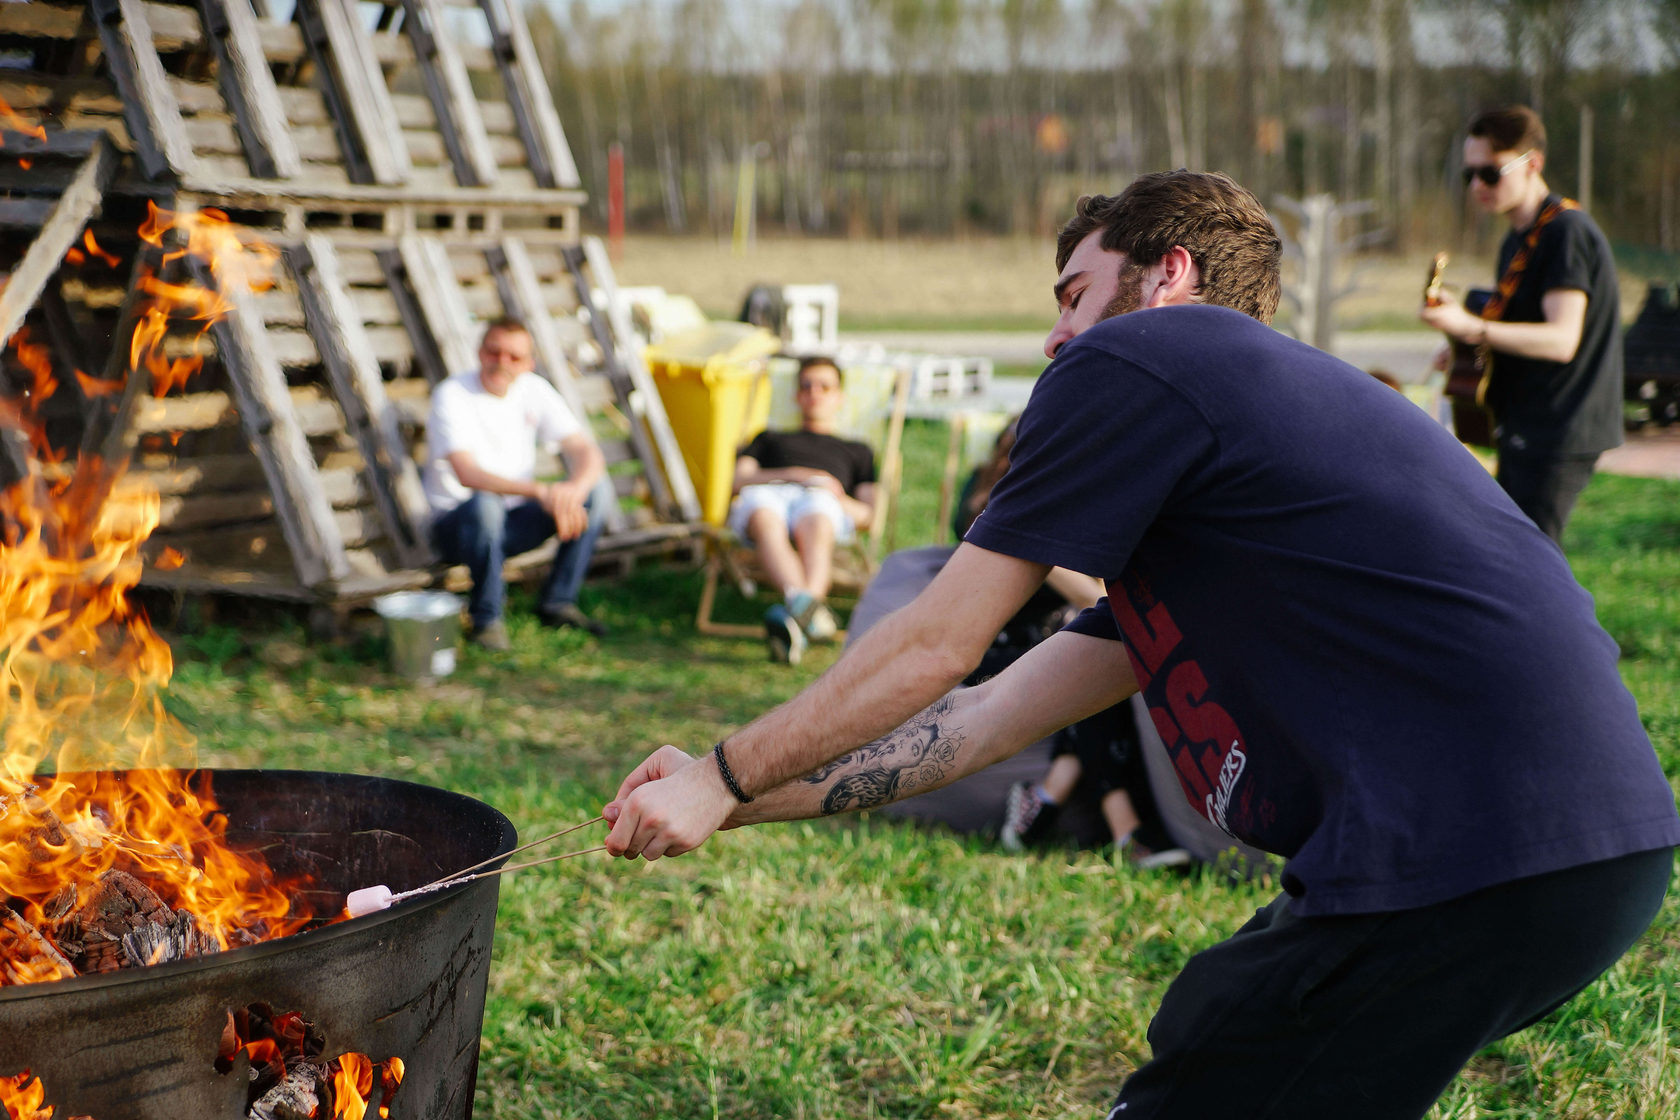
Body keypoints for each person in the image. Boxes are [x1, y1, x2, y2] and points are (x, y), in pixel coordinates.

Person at [601, 170, 1679, 1118]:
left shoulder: (1150, 357)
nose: (1055, 338)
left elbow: (934, 643)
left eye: (1073, 294)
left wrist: (724, 769)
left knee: (1212, 1057)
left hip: (1478, 845)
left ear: (1168, 275)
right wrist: (729, 793)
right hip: (1583, 856)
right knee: (1246, 1029)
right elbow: (973, 718)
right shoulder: (1228, 482)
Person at [1419, 105, 1624, 542]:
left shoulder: (1566, 232)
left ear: (1532, 164)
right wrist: (1463, 349)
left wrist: (1473, 328)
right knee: (1513, 555)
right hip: (1523, 421)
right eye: (1468, 175)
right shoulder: (1518, 237)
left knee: (1533, 562)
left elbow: (1561, 339)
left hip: (1559, 427)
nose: (1477, 186)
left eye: (1490, 173)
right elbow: (1518, 329)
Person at [423, 317, 608, 650]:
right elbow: (468, 474)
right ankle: (486, 620)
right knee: (485, 504)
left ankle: (557, 602)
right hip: (458, 526)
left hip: (513, 521)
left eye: (514, 357)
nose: (502, 363)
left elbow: (587, 451)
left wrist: (572, 493)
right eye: (494, 352)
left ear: (529, 363)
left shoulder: (534, 389)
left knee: (596, 492)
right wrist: (540, 490)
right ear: (480, 353)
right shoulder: (452, 394)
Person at [728, 355, 877, 664]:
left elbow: (868, 514)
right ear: (797, 395)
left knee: (818, 518)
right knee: (764, 516)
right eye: (807, 386)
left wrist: (836, 494)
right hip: (771, 492)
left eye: (825, 386)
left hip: (823, 499)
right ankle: (808, 614)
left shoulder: (858, 450)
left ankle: (794, 618)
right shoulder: (768, 437)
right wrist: (793, 473)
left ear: (839, 397)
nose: (815, 393)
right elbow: (738, 480)